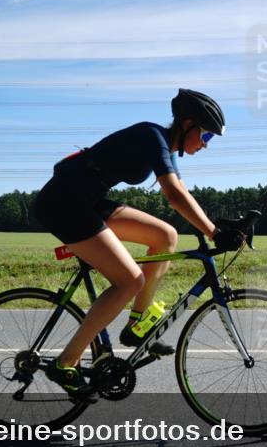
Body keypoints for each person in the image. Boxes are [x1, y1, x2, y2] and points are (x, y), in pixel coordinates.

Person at [32, 89, 244, 401]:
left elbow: (181, 189)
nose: (205, 144)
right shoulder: (151, 135)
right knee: (130, 280)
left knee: (165, 237)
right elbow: (173, 194)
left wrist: (217, 226)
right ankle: (65, 363)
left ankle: (136, 326)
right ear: (187, 124)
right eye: (206, 135)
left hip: (88, 200)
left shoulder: (166, 147)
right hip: (64, 203)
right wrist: (213, 232)